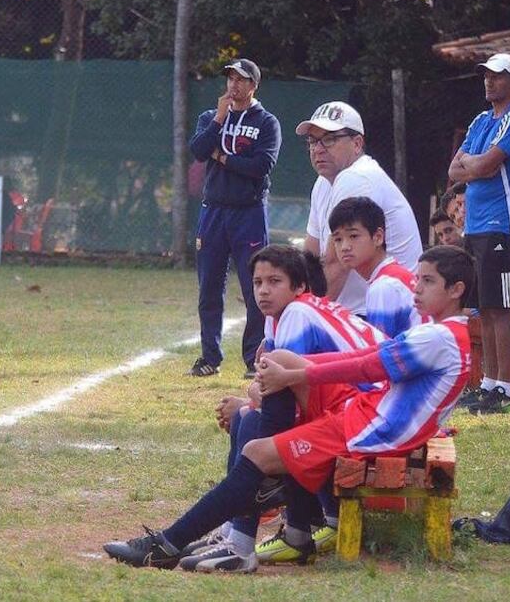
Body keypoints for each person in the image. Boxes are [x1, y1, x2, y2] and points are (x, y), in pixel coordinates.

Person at [103, 245, 474, 573]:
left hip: (372, 432)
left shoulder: (439, 337)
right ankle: (271, 503)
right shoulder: (441, 332)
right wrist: (295, 372)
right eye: (417, 279)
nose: (416, 287)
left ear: (456, 290)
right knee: (277, 367)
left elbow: (367, 367)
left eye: (427, 281)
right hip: (365, 412)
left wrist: (298, 374)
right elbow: (365, 357)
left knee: (256, 449)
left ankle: (178, 544)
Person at [189, 245, 386, 572]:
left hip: (369, 415)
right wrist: (252, 397)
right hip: (355, 408)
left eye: (274, 281)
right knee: (251, 417)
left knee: (252, 421)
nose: (263, 291)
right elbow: (279, 390)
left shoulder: (297, 314)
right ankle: (253, 531)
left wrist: (248, 399)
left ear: (299, 287)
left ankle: (242, 541)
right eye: (257, 282)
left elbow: (279, 394)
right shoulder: (281, 316)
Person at [448, 53, 510, 415]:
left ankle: (506, 388)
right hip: (475, 225)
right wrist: (476, 165)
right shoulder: (481, 120)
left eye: (497, 75)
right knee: (484, 306)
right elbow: (455, 170)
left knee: (501, 306)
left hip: (502, 224)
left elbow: (485, 164)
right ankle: (488, 384)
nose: (489, 81)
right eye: (486, 75)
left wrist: (475, 164)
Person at [187, 59, 282, 378]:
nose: (233, 85)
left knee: (256, 287)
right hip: (213, 211)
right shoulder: (210, 117)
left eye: (241, 79)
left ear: (253, 85)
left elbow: (261, 166)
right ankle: (209, 357)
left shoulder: (266, 122)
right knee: (209, 288)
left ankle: (254, 358)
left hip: (249, 213)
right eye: (230, 78)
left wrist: (223, 157)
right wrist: (218, 119)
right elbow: (198, 150)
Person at [301, 101, 422, 315]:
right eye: (312, 141)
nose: (318, 149)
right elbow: (310, 257)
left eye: (329, 139)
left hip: (386, 312)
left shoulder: (356, 177)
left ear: (357, 144)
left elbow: (335, 265)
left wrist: (303, 314)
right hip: (363, 309)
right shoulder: (323, 183)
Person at [328, 197, 429, 338]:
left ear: (378, 237)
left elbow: (379, 347)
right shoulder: (394, 276)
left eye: (353, 236)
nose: (344, 247)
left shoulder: (383, 286)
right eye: (338, 239)